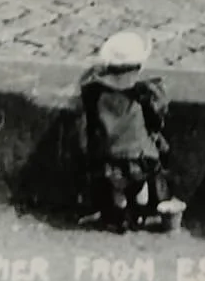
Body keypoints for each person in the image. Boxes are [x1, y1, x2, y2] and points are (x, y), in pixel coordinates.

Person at [78, 30, 184, 232]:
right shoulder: (142, 93)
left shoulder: (97, 93)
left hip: (111, 155)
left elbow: (91, 121)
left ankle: (120, 220)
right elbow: (156, 117)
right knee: (140, 187)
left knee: (118, 189)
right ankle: (139, 218)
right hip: (140, 155)